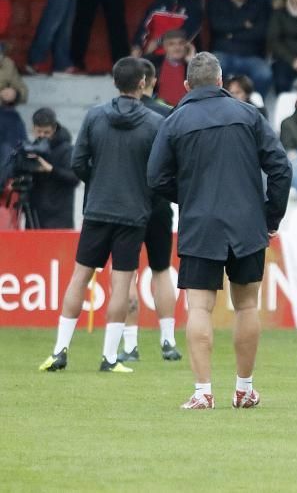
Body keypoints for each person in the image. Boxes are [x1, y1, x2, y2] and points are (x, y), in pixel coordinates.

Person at [147, 52, 291, 410]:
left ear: (186, 86)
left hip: (200, 223)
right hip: (247, 223)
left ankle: (202, 392)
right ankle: (244, 389)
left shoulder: (174, 120)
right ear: (220, 80)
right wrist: (270, 217)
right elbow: (281, 169)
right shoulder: (249, 115)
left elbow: (155, 178)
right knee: (246, 306)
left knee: (199, 307)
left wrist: (190, 197)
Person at [38, 57, 163, 375]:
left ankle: (59, 351)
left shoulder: (94, 117)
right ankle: (109, 357)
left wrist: (99, 182)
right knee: (121, 284)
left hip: (97, 208)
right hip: (133, 213)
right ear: (142, 84)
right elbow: (159, 172)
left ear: (113, 82)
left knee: (80, 277)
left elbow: (78, 162)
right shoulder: (153, 123)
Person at [118, 58, 182, 363]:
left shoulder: (111, 114)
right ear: (151, 81)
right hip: (158, 202)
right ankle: (168, 341)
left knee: (127, 274)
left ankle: (130, 346)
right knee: (161, 270)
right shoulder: (166, 115)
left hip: (125, 204)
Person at [207, 0, 272, 96]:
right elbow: (217, 26)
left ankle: (254, 108)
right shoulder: (217, 0)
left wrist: (230, 34)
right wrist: (243, 24)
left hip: (252, 56)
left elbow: (261, 33)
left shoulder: (261, 4)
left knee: (264, 74)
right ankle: (215, 104)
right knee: (210, 72)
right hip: (223, 53)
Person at [22, 108, 78, 229]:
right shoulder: (31, 149)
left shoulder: (67, 149)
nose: (42, 135)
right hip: (35, 215)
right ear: (33, 129)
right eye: (38, 131)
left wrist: (51, 169)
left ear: (54, 129)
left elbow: (74, 178)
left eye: (46, 132)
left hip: (59, 217)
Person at [132, 0, 203, 56]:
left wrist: (159, 42)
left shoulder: (195, 9)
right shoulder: (157, 4)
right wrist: (137, 46)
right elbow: (143, 28)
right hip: (151, 54)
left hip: (178, 56)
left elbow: (185, 33)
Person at [148, 29, 194, 107]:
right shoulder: (153, 64)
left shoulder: (190, 65)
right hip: (159, 110)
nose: (177, 47)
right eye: (171, 44)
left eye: (181, 43)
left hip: (186, 110)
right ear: (164, 47)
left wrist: (191, 62)